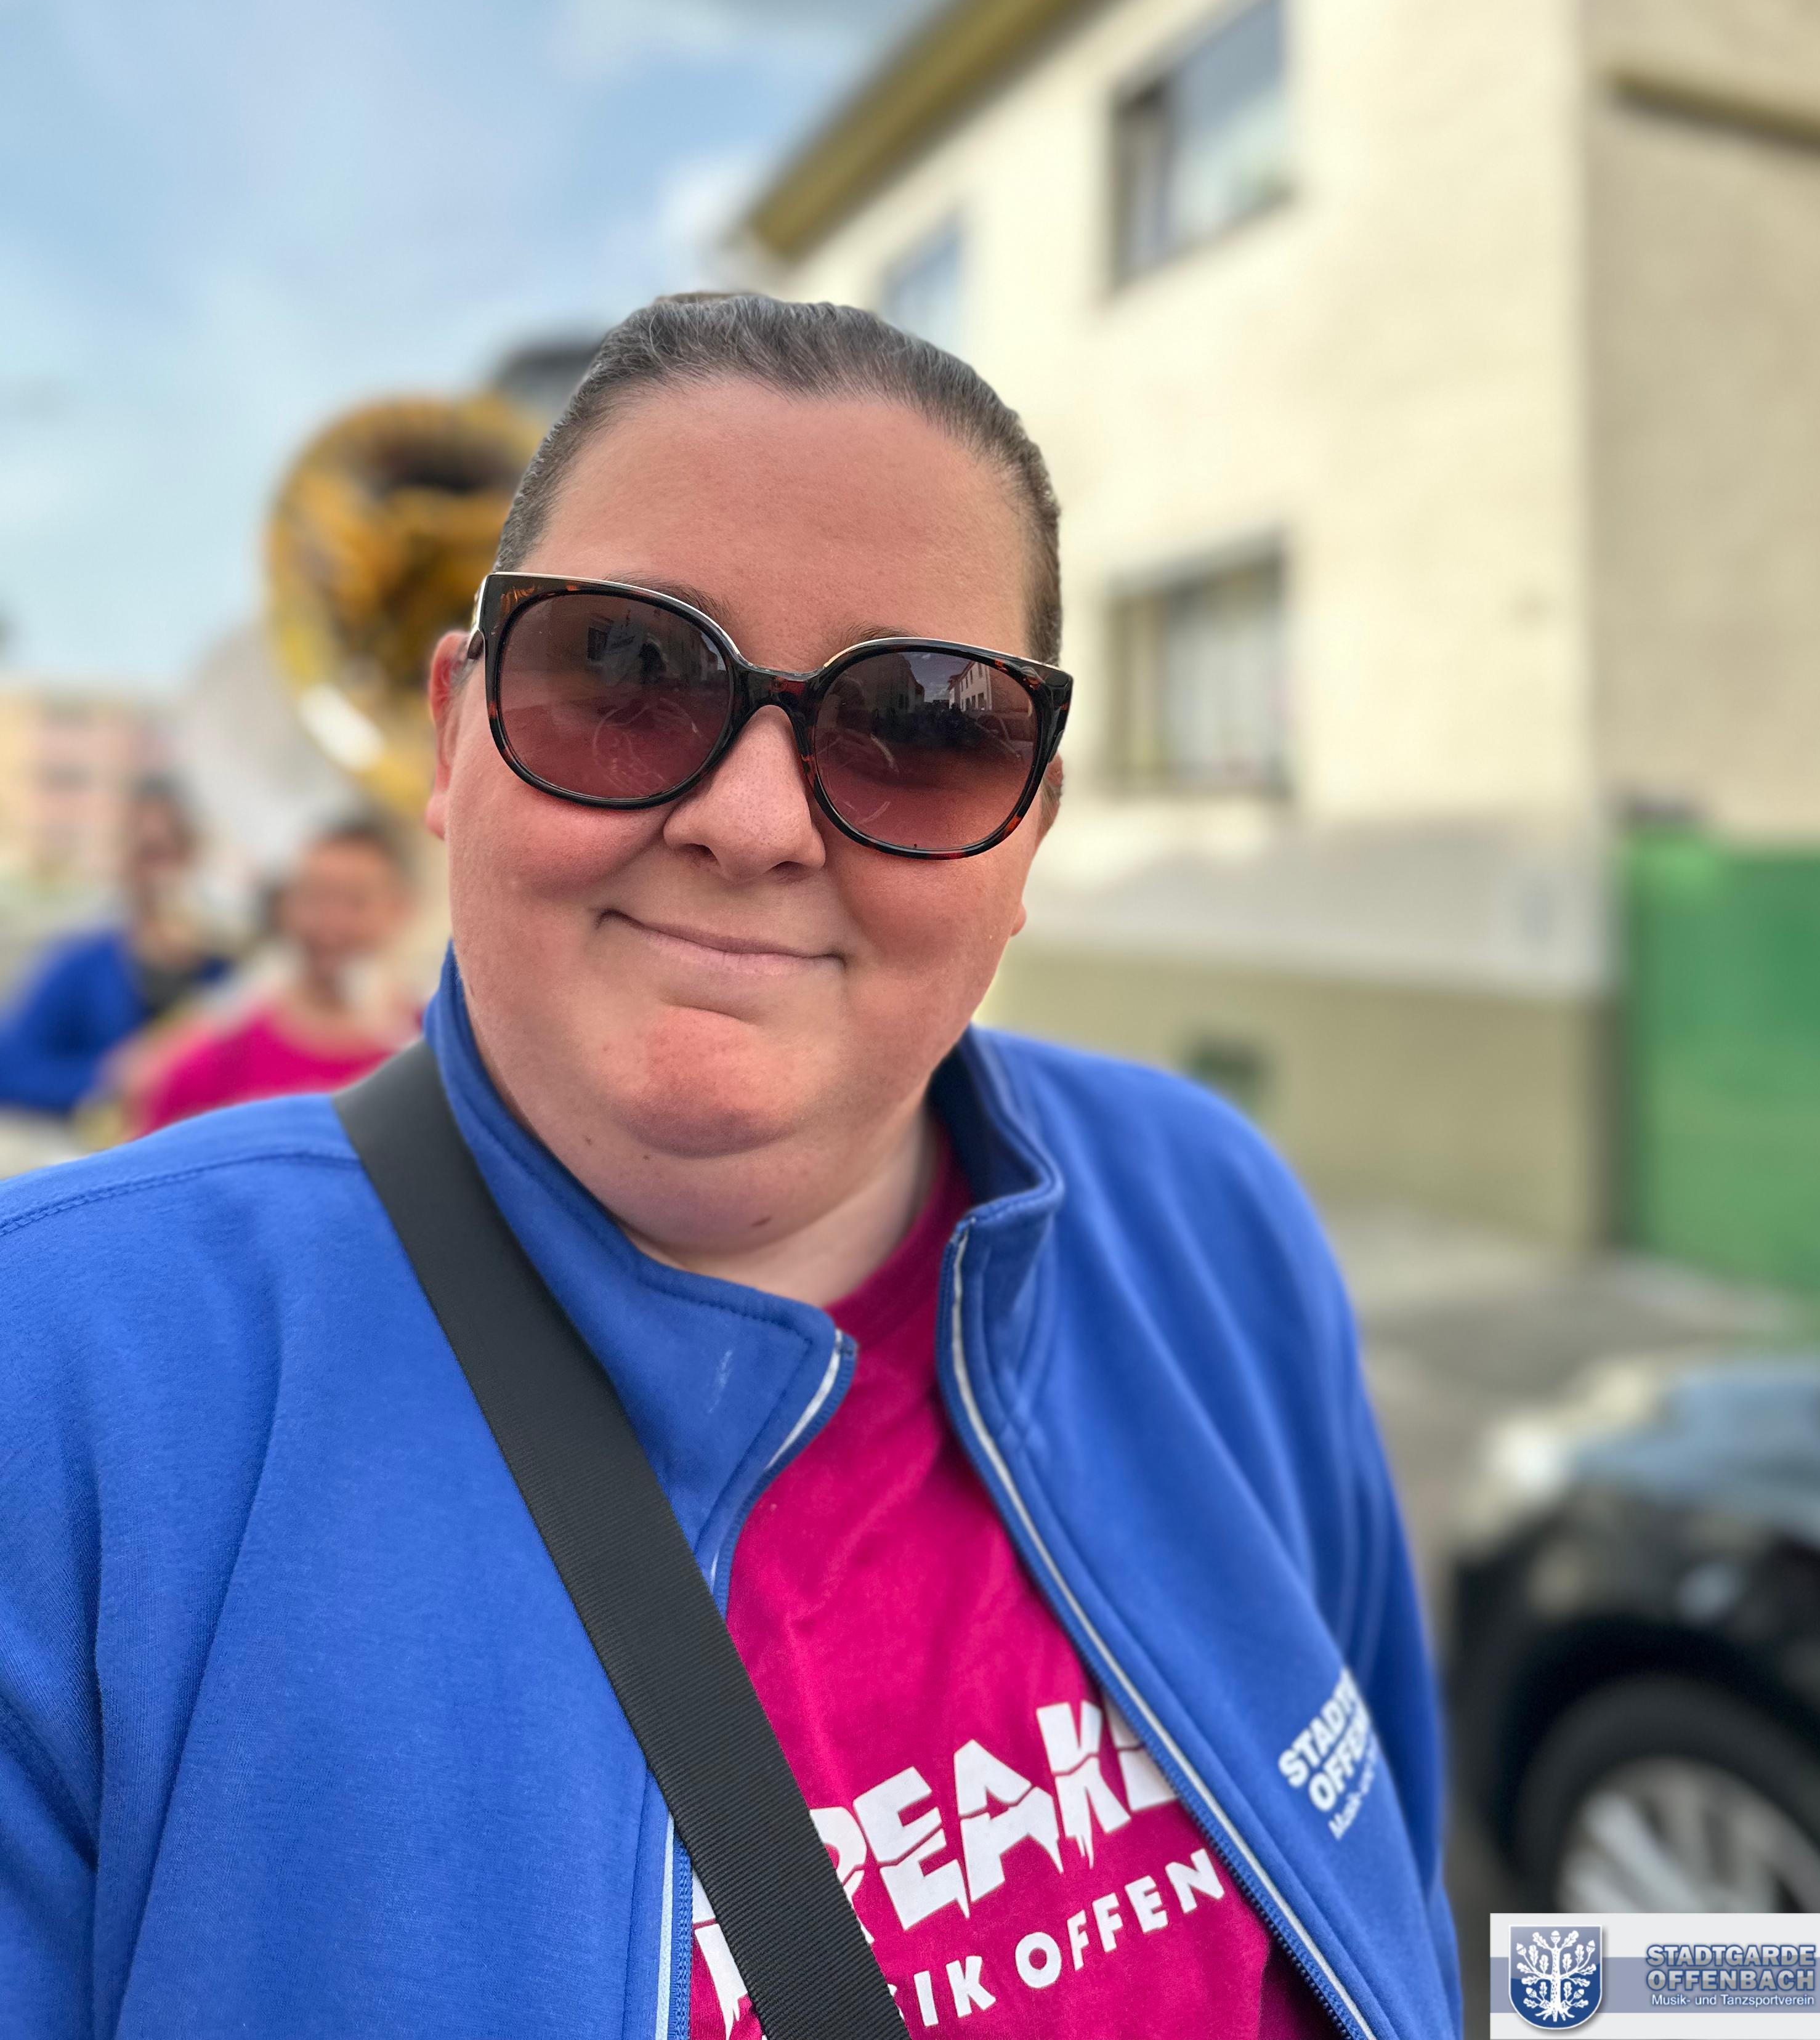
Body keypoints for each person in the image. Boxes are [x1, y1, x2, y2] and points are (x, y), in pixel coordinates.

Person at [0, 297, 1459, 2040]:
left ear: (1030, 831)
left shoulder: (1212, 1215)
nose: (754, 824)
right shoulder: (54, 1388)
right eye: (623, 672)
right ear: (455, 734)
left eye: (925, 724)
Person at [132, 816, 419, 1130]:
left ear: (400, 909)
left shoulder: (431, 1047)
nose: (331, 924)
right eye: (315, 897)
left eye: (356, 902)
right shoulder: (224, 1051)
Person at [0, 774, 230, 1118]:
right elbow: (11, 1072)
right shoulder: (78, 965)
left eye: (172, 852)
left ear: (194, 855)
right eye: (147, 854)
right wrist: (105, 1077)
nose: (160, 874)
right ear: (122, 860)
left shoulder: (226, 972)